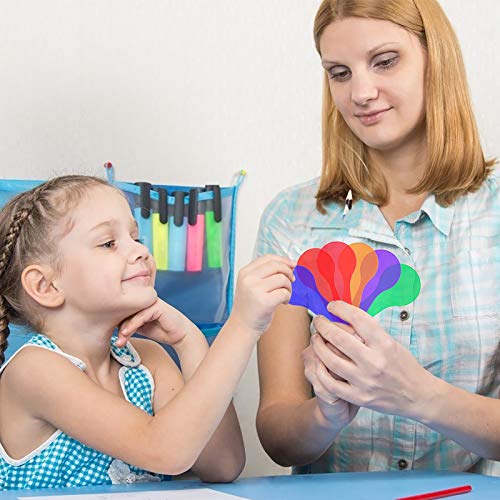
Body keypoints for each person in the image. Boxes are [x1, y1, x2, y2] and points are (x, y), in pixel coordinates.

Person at [255, 0, 499, 476]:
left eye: (385, 62)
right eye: (340, 73)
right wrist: (324, 416)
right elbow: (279, 435)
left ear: (436, 60)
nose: (361, 92)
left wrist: (420, 396)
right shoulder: (290, 219)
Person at [0, 175, 295, 490]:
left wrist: (190, 341)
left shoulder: (147, 362)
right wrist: (243, 326)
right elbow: (164, 451)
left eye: (136, 238)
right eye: (109, 243)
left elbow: (222, 464)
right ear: (45, 286)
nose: (140, 252)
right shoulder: (34, 371)